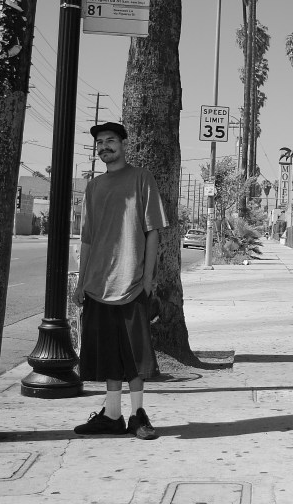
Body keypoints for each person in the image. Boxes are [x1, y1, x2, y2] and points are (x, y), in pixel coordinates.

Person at [73, 122, 168, 440]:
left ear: (124, 144)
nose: (104, 147)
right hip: (97, 285)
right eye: (99, 143)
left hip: (131, 284)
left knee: (135, 357)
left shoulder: (142, 178)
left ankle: (137, 415)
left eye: (110, 141)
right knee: (109, 354)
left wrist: (147, 278)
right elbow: (86, 240)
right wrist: (80, 281)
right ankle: (112, 415)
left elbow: (152, 230)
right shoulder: (93, 187)